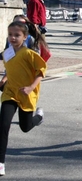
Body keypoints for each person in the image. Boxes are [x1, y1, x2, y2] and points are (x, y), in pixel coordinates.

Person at [0, 21, 47, 176]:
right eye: (10, 35)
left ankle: (38, 117)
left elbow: (41, 71)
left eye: (17, 35)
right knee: (3, 126)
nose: (13, 38)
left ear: (25, 37)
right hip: (10, 93)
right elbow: (11, 68)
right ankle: (1, 163)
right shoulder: (7, 52)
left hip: (26, 94)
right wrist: (4, 80)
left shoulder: (29, 53)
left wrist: (31, 87)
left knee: (25, 127)